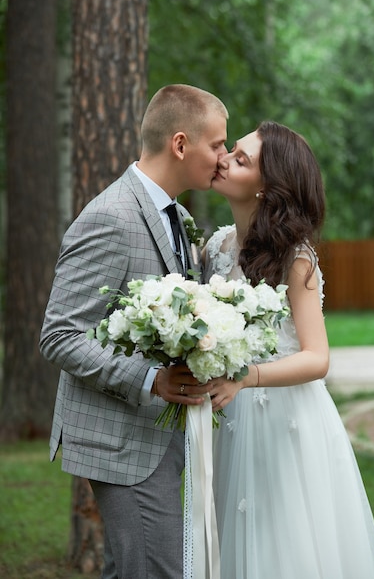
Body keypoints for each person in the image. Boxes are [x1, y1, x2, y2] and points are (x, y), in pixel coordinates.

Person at [40, 84, 229, 579]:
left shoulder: (180, 218)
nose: (224, 157)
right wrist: (150, 381)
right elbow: (59, 334)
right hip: (120, 442)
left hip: (160, 437)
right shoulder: (110, 217)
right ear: (181, 144)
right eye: (217, 145)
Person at [204, 121, 374, 578]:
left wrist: (249, 377)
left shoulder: (296, 257)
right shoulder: (214, 247)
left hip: (283, 422)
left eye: (241, 159)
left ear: (267, 190)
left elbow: (317, 357)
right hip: (227, 421)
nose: (224, 158)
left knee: (281, 545)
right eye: (232, 149)